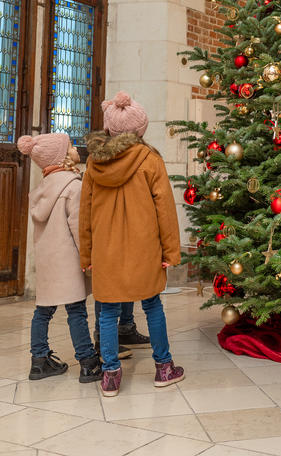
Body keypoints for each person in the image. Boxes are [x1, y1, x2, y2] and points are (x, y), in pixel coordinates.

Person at [79, 91, 184, 397]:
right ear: (140, 130)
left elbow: (84, 213)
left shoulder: (93, 165)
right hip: (145, 248)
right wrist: (170, 251)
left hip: (106, 250)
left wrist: (86, 253)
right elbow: (165, 208)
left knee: (107, 312)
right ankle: (164, 367)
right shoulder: (150, 159)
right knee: (152, 305)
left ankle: (111, 374)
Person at [17, 133, 101, 383]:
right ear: (63, 156)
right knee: (77, 311)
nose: (76, 148)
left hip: (47, 261)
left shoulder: (43, 187)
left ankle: (39, 360)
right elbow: (78, 227)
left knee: (43, 311)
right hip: (68, 260)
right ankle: (88, 362)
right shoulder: (72, 185)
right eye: (72, 146)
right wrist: (89, 256)